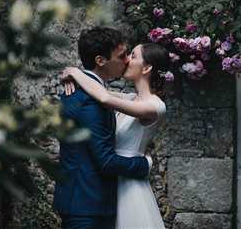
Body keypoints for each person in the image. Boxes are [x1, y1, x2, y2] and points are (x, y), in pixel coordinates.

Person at [61, 42, 170, 228]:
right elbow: (96, 89)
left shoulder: (155, 106)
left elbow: (104, 97)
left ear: (147, 68)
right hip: (109, 183)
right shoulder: (129, 98)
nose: (127, 60)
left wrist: (77, 73)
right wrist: (70, 75)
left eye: (133, 56)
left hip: (129, 186)